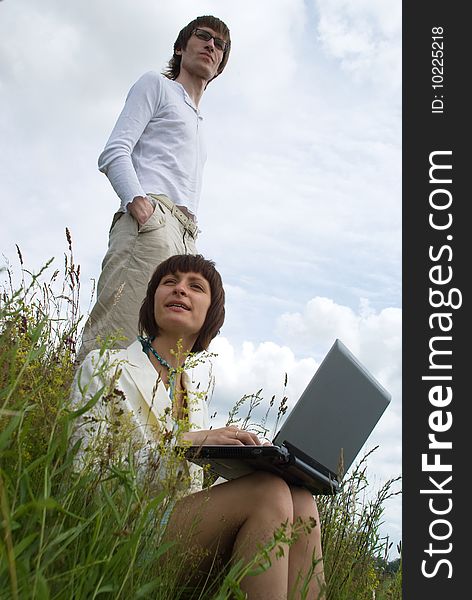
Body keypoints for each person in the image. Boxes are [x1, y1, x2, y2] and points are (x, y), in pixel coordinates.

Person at [71, 254, 326, 599]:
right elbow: (89, 476)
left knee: (300, 498)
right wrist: (184, 441)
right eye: (169, 282)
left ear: (211, 313)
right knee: (268, 493)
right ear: (153, 300)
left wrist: (253, 462)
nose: (180, 290)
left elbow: (189, 491)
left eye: (195, 286)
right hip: (124, 533)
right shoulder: (106, 367)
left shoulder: (194, 395)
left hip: (182, 531)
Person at [77, 15, 231, 362]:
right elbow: (115, 151)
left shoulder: (197, 120)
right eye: (203, 37)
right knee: (116, 337)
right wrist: (140, 206)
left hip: (185, 235)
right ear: (180, 47)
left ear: (220, 64)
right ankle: (83, 415)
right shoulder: (157, 86)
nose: (211, 45)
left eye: (219, 44)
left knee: (159, 353)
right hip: (153, 222)